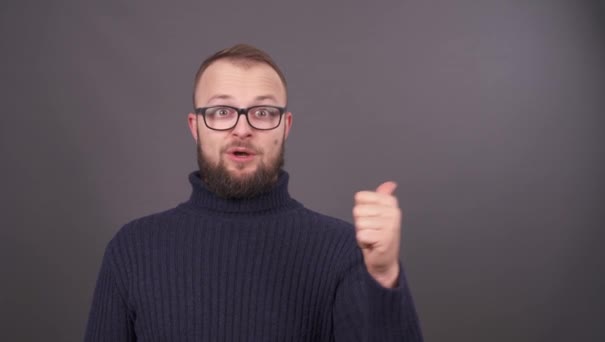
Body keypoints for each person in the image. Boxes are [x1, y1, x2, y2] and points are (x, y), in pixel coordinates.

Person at [84, 44, 423, 341]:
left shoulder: (343, 251)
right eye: (221, 111)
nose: (242, 129)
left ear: (285, 126)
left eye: (262, 112)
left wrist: (382, 275)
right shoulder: (132, 249)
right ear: (195, 126)